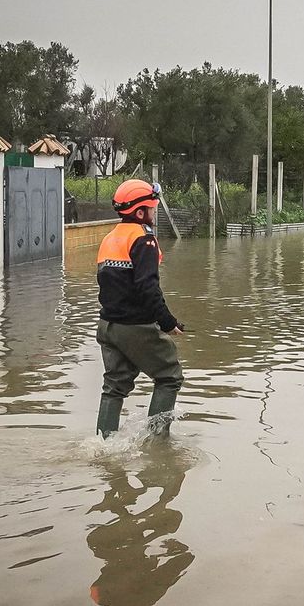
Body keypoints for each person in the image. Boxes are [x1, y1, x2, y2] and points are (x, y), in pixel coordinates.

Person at [95, 179, 185, 437]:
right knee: (169, 376)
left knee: (114, 387)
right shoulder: (143, 240)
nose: (155, 213)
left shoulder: (110, 238)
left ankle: (104, 444)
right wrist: (167, 322)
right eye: (152, 208)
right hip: (133, 326)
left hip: (107, 326)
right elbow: (148, 288)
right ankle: (157, 445)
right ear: (140, 212)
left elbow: (109, 285)